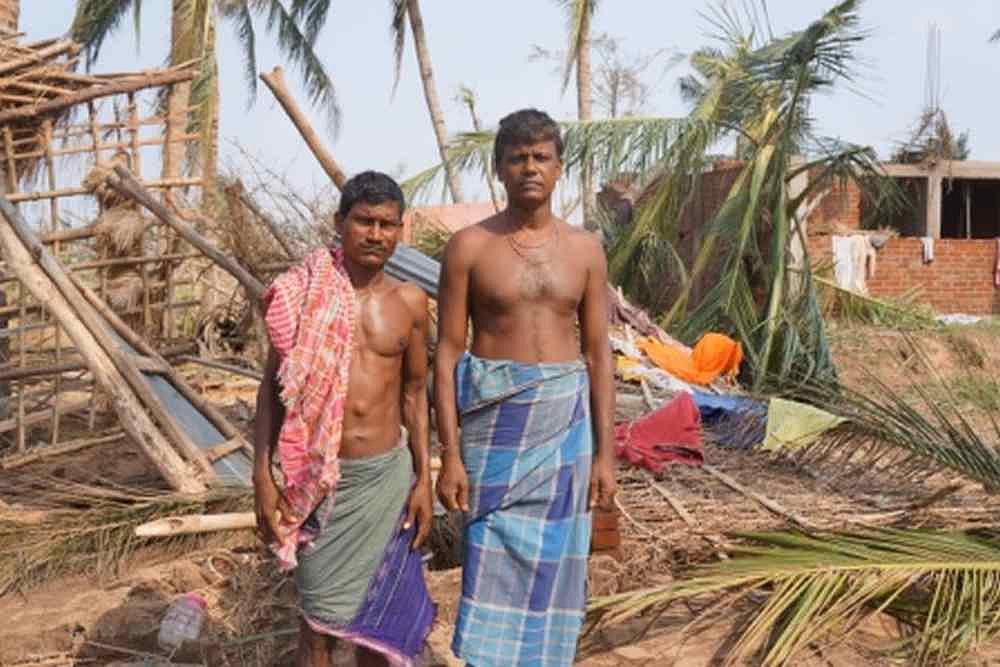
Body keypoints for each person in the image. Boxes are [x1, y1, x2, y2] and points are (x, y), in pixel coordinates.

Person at [434, 109, 617, 666]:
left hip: (564, 427)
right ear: (499, 169)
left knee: (558, 567)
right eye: (517, 158)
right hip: (495, 430)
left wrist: (607, 456)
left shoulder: (585, 250)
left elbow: (598, 353)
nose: (529, 168)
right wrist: (451, 455)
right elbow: (447, 351)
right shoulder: (469, 247)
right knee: (489, 560)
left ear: (559, 168)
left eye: (541, 157)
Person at [253, 171, 435, 667]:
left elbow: (416, 395)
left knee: (376, 625)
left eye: (388, 224)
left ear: (402, 230)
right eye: (364, 221)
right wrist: (261, 477)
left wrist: (425, 480)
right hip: (319, 482)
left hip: (385, 480)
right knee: (315, 624)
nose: (376, 234)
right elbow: (272, 389)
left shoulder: (411, 303)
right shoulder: (300, 295)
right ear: (340, 223)